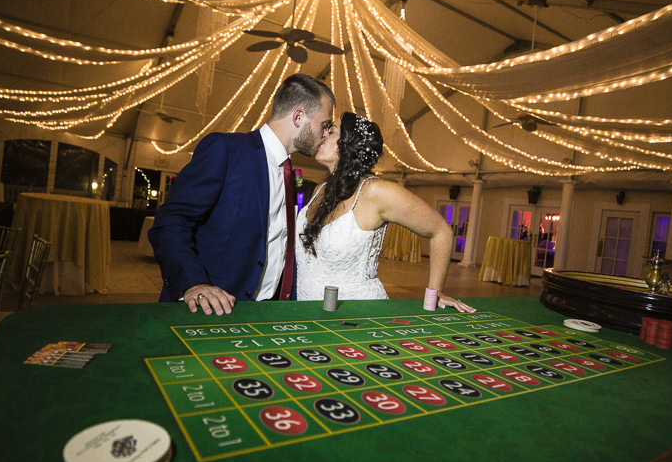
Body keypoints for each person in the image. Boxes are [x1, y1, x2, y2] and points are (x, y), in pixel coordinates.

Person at [148, 73, 334, 315]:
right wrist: (193, 284)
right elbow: (170, 222)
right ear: (298, 117)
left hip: (265, 315)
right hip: (212, 310)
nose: (327, 134)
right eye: (325, 124)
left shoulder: (288, 173)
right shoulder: (225, 150)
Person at [295, 112, 474, 312]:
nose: (323, 134)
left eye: (332, 131)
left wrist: (436, 292)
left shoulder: (376, 191)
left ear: (350, 143)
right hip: (308, 312)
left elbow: (441, 231)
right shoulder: (321, 188)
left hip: (359, 316)